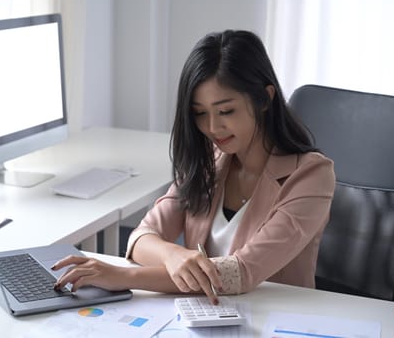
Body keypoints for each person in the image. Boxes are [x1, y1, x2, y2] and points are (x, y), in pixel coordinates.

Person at [52, 30, 335, 305]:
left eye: (226, 111)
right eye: (200, 113)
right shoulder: (210, 159)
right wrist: (173, 255)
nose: (212, 127)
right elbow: (140, 239)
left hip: (277, 317)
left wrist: (124, 276)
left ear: (264, 98)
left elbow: (241, 272)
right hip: (203, 314)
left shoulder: (311, 175)